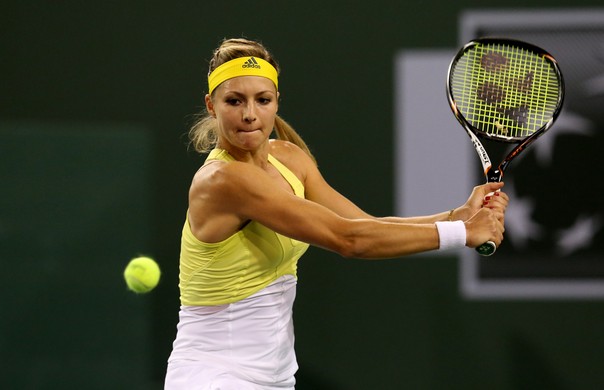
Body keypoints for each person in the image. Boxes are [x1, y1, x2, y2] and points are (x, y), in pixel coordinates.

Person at [164, 38, 509, 389]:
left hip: (274, 378)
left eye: (262, 100)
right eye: (234, 101)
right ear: (211, 105)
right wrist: (464, 234)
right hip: (213, 376)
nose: (250, 114)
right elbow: (349, 240)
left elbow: (365, 225)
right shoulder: (223, 180)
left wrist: (458, 215)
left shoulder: (289, 158)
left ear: (276, 102)